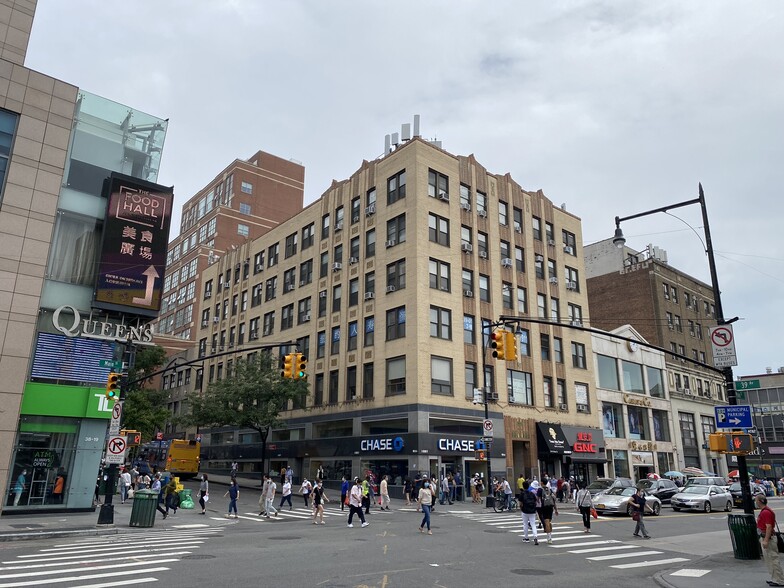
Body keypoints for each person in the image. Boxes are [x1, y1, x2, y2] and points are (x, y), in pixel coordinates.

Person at [756, 495, 784, 586]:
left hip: (768, 538)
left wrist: (766, 540)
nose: (755, 502)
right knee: (770, 560)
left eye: (756, 500)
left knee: (773, 559)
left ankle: (779, 580)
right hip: (766, 537)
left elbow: (769, 527)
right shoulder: (765, 511)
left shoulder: (766, 512)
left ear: (760, 501)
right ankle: (775, 578)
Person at [520, 480, 539, 545]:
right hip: (532, 510)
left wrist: (521, 508)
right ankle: (535, 537)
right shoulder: (532, 493)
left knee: (525, 524)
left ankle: (526, 538)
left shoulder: (522, 493)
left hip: (525, 510)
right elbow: (536, 501)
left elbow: (520, 503)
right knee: (533, 524)